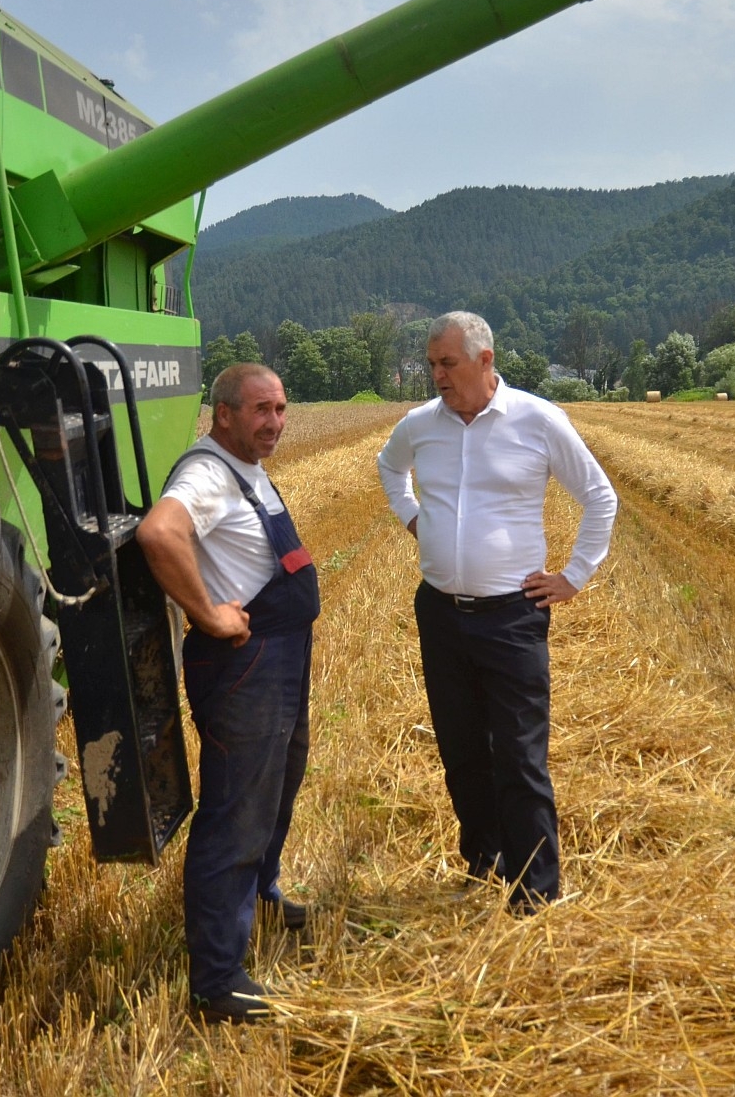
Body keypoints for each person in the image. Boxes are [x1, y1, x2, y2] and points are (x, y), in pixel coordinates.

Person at [376, 312, 617, 912]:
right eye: (432, 363)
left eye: (447, 363)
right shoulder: (419, 426)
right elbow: (388, 467)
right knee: (461, 750)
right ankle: (485, 864)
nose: (436, 375)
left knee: (517, 753)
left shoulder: (537, 419)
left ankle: (536, 891)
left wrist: (574, 576)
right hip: (440, 612)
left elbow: (598, 497)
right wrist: (413, 518)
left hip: (512, 617)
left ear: (485, 361)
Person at [136, 362, 318, 1023]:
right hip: (245, 667)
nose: (274, 422)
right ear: (224, 414)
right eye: (260, 410)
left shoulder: (247, 468)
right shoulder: (208, 472)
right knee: (235, 813)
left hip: (281, 657)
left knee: (275, 789)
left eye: (281, 408)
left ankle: (260, 895)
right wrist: (209, 613)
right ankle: (217, 979)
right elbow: (159, 533)